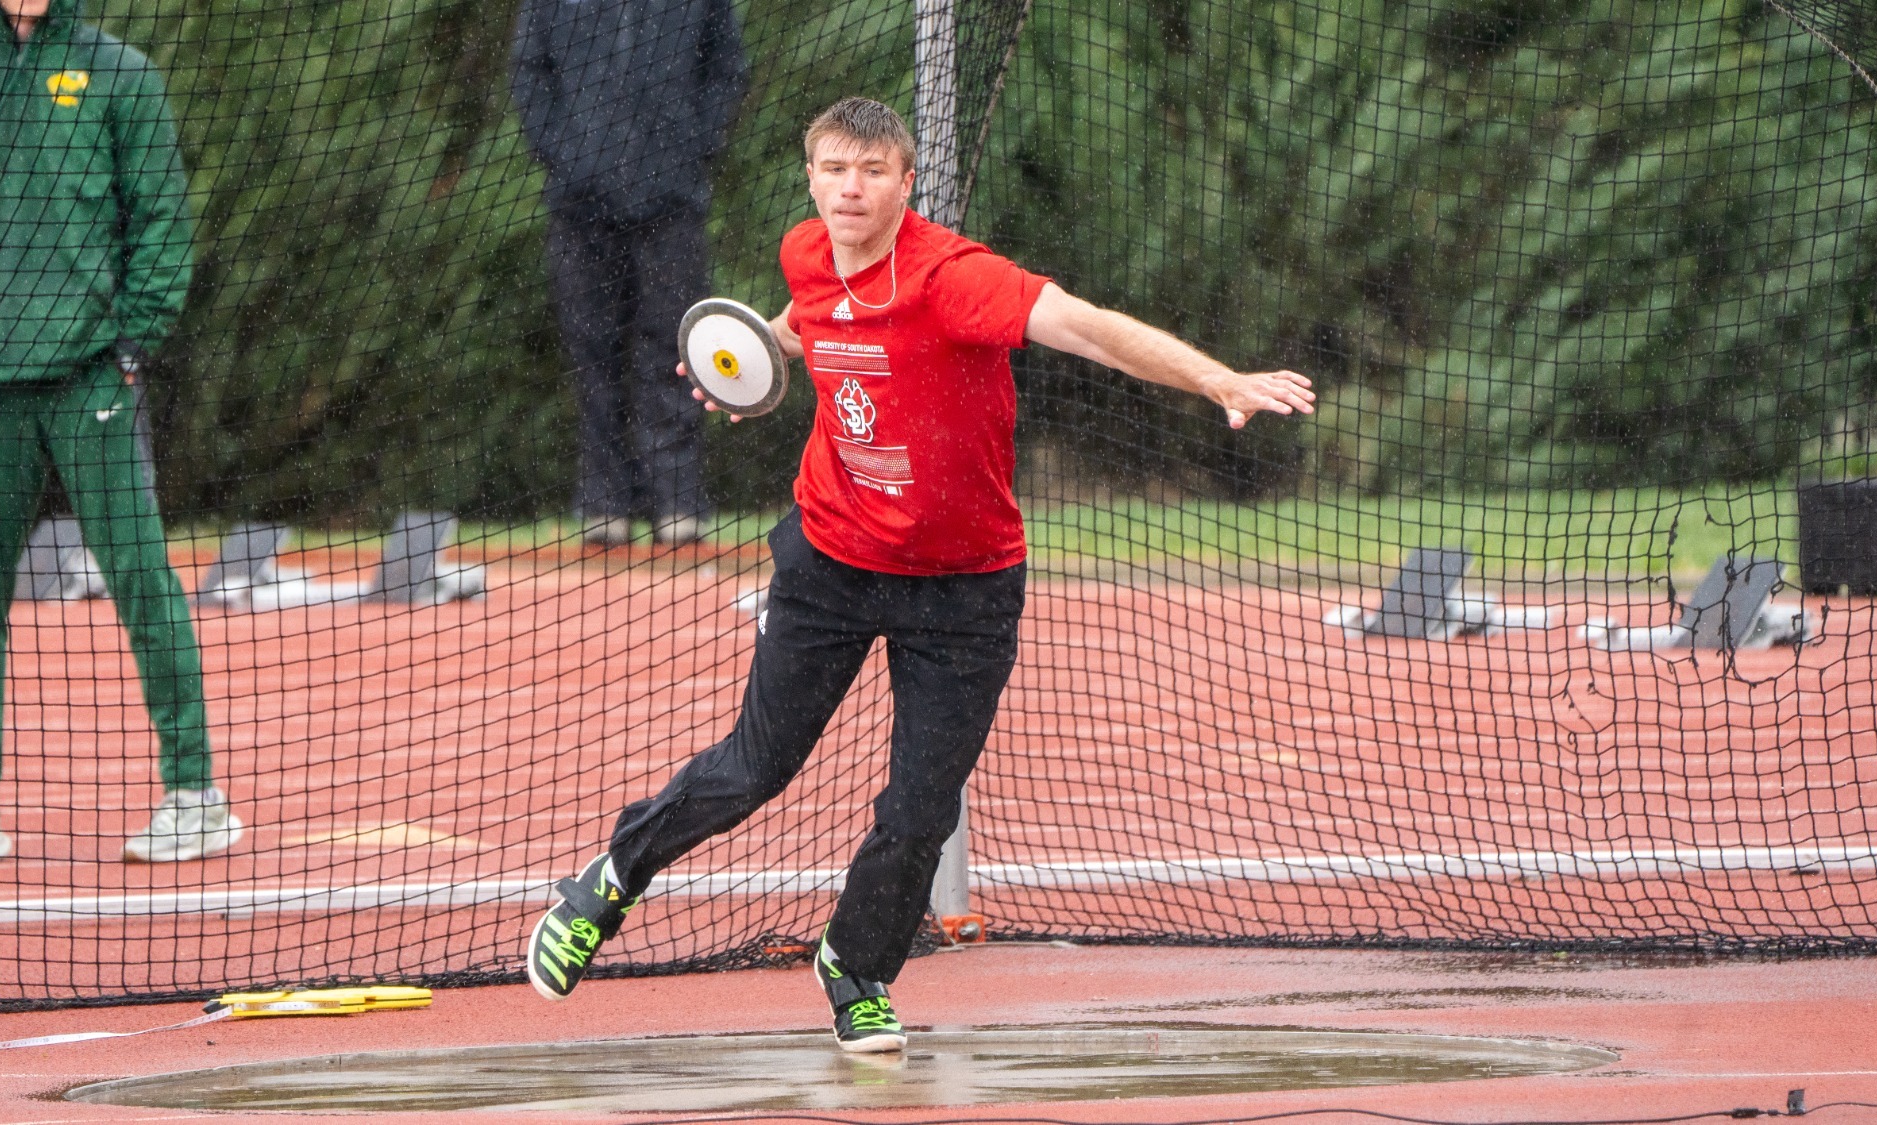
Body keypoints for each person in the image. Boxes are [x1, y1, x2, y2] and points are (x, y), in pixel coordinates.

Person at [524, 97, 1315, 1050]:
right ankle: (607, 882)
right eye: (832, 169)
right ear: (811, 176)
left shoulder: (956, 281)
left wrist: (1219, 380)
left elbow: (1097, 329)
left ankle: (856, 968)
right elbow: (801, 322)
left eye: (871, 172)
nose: (849, 187)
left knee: (918, 811)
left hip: (966, 585)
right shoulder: (806, 253)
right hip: (831, 556)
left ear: (907, 182)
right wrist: (747, 363)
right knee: (754, 768)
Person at [0, 0, 241, 863]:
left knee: (141, 580)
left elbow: (163, 220)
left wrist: (131, 341)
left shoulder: (121, 73)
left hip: (92, 382)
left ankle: (195, 792)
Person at [511, 0, 747, 547]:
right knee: (593, 351)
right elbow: (530, 73)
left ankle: (678, 502)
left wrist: (691, 147)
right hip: (580, 205)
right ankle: (603, 503)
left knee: (674, 349)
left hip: (672, 201)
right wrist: (569, 157)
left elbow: (726, 70)